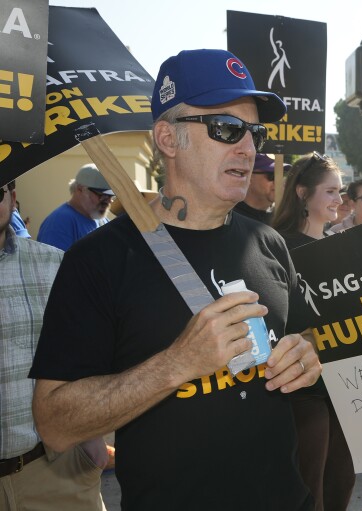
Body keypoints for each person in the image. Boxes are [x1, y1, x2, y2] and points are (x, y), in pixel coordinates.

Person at [29, 49, 321, 510]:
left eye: (255, 132)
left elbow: (304, 334)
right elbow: (55, 422)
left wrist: (304, 353)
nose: (248, 148)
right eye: (226, 129)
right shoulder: (99, 260)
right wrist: (178, 363)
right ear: (167, 137)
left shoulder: (268, 244)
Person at [0, 180, 107, 511]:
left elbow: (85, 354)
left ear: (13, 198)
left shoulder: (54, 265)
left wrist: (92, 442)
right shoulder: (62, 223)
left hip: (53, 473)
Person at [271, 152, 356, 510]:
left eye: (341, 192)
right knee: (310, 492)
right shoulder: (275, 246)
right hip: (303, 393)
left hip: (347, 390)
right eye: (331, 191)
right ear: (303, 193)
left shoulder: (341, 248)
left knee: (341, 483)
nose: (340, 200)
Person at [36, 164, 113, 251]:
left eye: (110, 196)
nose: (109, 201)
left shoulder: (102, 221)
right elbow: (54, 262)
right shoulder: (59, 223)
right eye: (102, 195)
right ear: (80, 189)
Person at [234, 153, 276, 224]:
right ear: (249, 177)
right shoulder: (228, 218)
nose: (278, 181)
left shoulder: (284, 221)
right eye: (272, 176)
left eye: (281, 175)